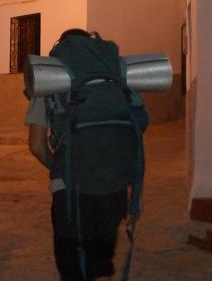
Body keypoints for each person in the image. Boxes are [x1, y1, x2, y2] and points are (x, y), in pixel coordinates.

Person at [25, 29, 148, 281]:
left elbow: (36, 145)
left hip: (69, 190)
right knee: (98, 259)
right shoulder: (115, 79)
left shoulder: (52, 81)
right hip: (114, 186)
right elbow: (139, 123)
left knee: (71, 263)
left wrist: (58, 166)